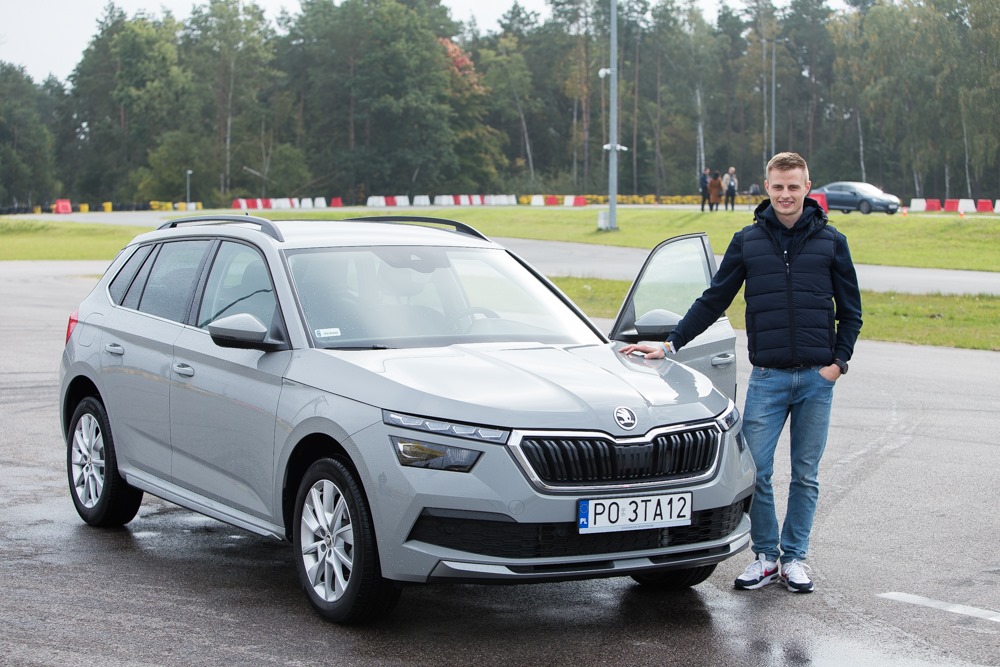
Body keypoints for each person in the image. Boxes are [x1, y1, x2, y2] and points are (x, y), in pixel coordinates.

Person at [619, 152, 862, 594]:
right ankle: (766, 557)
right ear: (766, 187)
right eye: (778, 186)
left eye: (793, 186)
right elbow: (714, 299)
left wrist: (837, 365)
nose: (785, 194)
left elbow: (851, 312)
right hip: (768, 378)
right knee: (757, 470)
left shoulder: (832, 241)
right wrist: (670, 344)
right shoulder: (748, 240)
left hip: (816, 379)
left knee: (806, 474)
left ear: (807, 188)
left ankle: (795, 558)